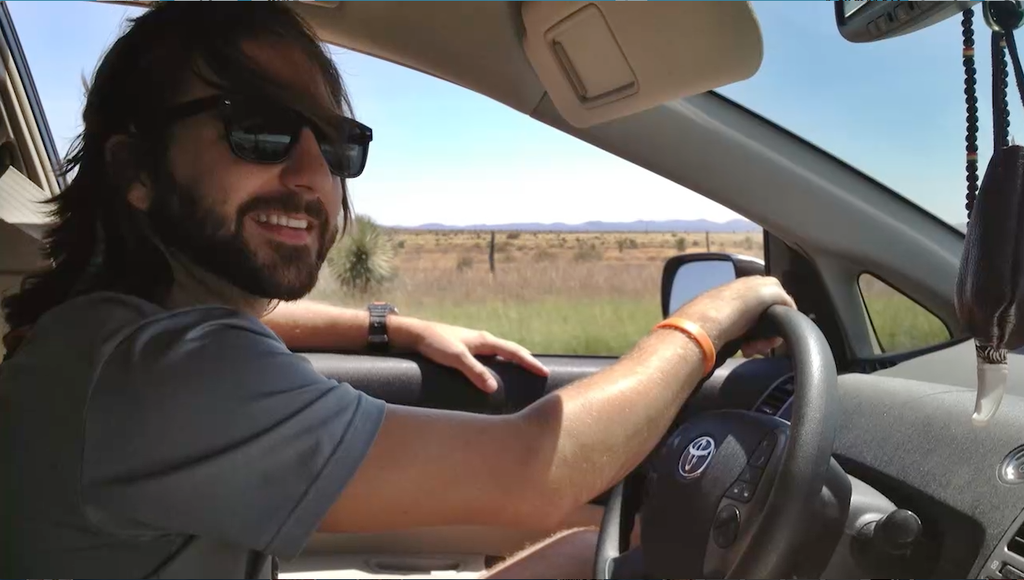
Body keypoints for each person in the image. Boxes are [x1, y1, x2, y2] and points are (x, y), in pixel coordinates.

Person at [0, 3, 794, 579]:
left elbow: (259, 324)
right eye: (260, 130)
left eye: (336, 145)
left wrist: (392, 328)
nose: (313, 175)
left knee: (591, 556)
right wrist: (711, 317)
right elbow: (528, 470)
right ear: (136, 172)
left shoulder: (108, 337)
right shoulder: (163, 373)